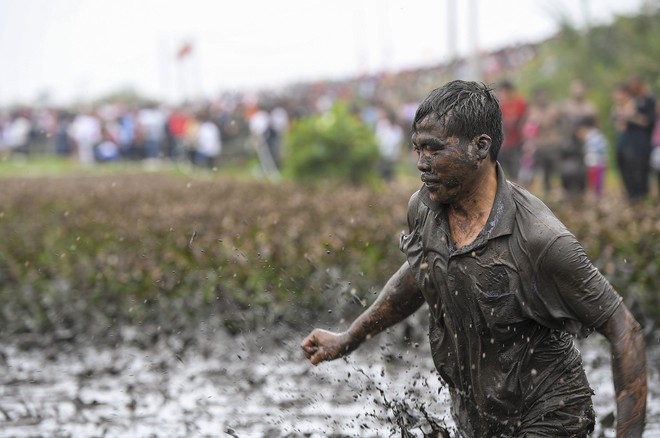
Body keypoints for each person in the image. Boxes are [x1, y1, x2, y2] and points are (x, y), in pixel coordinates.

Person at [301, 80, 647, 437]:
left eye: (434, 149)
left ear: (480, 146)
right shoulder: (424, 208)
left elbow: (625, 329)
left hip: (551, 413)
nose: (422, 163)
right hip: (480, 416)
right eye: (417, 149)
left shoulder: (540, 238)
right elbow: (420, 275)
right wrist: (348, 339)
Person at [523, 86, 564, 197]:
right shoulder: (532, 111)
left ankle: (560, 190)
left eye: (544, 95)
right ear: (536, 98)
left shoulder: (555, 109)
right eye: (540, 96)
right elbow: (527, 128)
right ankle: (546, 191)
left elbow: (564, 123)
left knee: (557, 168)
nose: (542, 98)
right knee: (543, 170)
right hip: (539, 145)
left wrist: (561, 137)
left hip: (553, 143)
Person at [560, 79, 597, 200]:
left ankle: (584, 193)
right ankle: (567, 192)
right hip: (569, 143)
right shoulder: (566, 107)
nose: (578, 92)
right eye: (576, 88)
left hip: (585, 144)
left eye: (580, 89)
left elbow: (596, 127)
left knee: (584, 170)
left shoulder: (590, 108)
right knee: (567, 168)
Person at [496, 80, 527, 182]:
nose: (503, 94)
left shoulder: (520, 103)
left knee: (517, 164)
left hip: (519, 140)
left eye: (504, 91)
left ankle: (518, 183)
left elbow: (525, 120)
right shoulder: (500, 104)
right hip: (505, 141)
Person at [576, 115, 608, 199]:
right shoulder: (597, 135)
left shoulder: (591, 136)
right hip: (597, 162)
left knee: (595, 183)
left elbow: (593, 151)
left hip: (594, 163)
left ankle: (596, 197)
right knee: (597, 183)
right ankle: (597, 196)